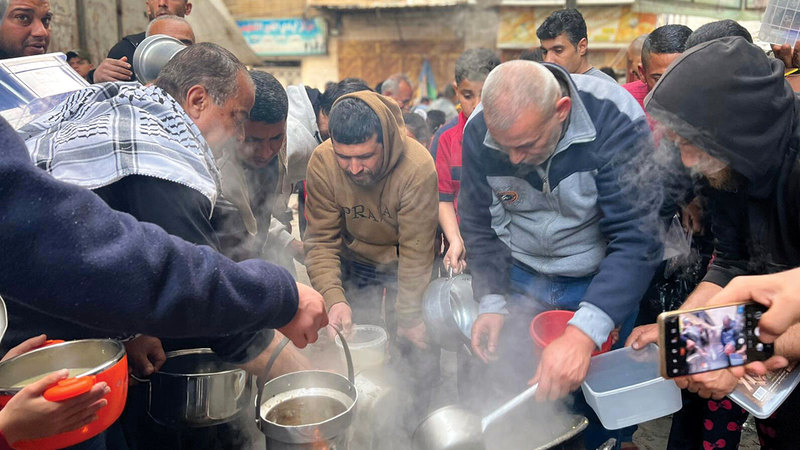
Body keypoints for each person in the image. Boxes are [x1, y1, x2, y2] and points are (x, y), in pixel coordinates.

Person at [459, 60, 659, 449]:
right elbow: (480, 225)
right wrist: (493, 299)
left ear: (562, 110)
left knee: (601, 400)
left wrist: (586, 330)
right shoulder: (480, 132)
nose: (514, 160)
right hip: (521, 276)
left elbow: (637, 237)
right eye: (505, 148)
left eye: (526, 145)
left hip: (599, 278)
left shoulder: (615, 119)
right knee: (524, 391)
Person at [627, 36, 800, 449]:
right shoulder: (730, 163)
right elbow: (730, 259)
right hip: (773, 356)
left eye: (690, 144)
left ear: (737, 128)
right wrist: (683, 329)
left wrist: (724, 346)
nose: (688, 163)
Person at [304, 91, 439, 425]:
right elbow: (321, 240)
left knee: (415, 347)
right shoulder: (322, 162)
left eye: (364, 156)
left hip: (406, 263)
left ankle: (417, 424)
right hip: (355, 258)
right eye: (344, 157)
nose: (354, 168)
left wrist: (408, 316)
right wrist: (334, 299)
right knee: (352, 344)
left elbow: (416, 252)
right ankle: (362, 422)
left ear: (386, 141)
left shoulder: (417, 167)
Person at [436, 48, 500, 274]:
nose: (476, 105)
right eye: (467, 95)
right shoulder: (446, 139)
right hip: (464, 248)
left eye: (485, 95)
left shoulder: (513, 134)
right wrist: (455, 240)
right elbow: (443, 199)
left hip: (508, 249)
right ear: (456, 91)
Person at [91, 0, 192, 83]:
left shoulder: (201, 53)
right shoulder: (126, 50)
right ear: (148, 8)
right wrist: (96, 78)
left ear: (187, 8)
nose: (162, 3)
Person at [622, 24, 692, 116]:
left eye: (680, 79)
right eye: (658, 80)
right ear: (642, 73)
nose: (669, 89)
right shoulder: (622, 102)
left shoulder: (712, 104)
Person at [536, 8, 616, 83]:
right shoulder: (547, 85)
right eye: (545, 51)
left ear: (582, 46)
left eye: (558, 51)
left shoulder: (605, 89)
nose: (548, 60)